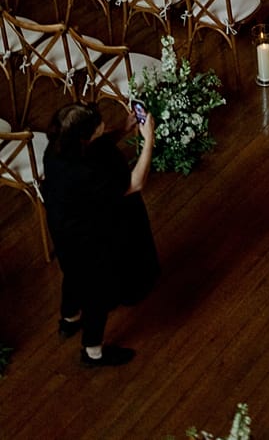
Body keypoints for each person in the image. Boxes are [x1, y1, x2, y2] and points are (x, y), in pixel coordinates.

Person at [42, 101, 159, 369]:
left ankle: (69, 319)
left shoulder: (56, 149)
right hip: (89, 238)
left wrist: (124, 129)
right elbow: (135, 183)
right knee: (98, 293)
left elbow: (97, 143)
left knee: (72, 274)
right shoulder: (85, 173)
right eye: (98, 125)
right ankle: (93, 351)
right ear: (84, 137)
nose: (102, 125)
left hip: (63, 228)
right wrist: (148, 140)